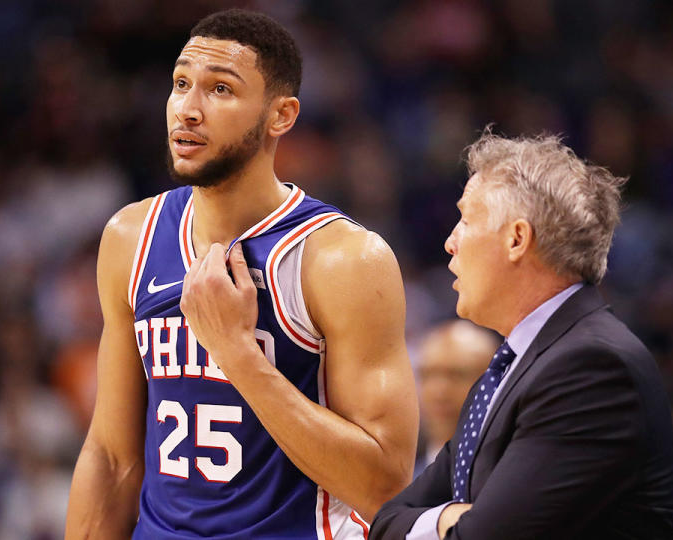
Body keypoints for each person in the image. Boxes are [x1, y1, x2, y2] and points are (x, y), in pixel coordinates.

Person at [65, 9, 419, 539]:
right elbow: (112, 458)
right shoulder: (130, 237)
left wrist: (237, 356)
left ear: (281, 115)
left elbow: (384, 487)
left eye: (221, 90)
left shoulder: (342, 259)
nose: (187, 109)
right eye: (181, 84)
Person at [370, 132, 673, 539]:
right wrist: (451, 518)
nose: (450, 242)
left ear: (517, 239)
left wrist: (443, 521)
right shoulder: (510, 368)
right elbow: (386, 521)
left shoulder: (592, 368)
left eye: (465, 219)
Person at [414, 320, 498, 474]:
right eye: (427, 375)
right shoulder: (400, 480)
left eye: (458, 375)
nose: (439, 392)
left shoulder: (510, 474)